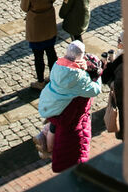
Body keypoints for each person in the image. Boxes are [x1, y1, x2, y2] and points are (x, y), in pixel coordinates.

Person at [35, 40, 104, 173]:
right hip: (73, 129)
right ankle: (48, 145)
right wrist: (97, 75)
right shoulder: (78, 77)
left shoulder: (57, 66)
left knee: (54, 126)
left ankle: (47, 145)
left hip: (53, 106)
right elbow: (95, 90)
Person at [22, 0, 61, 85]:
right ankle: (54, 77)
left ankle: (40, 81)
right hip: (49, 21)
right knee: (51, 52)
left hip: (35, 25)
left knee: (38, 56)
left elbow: (24, 7)